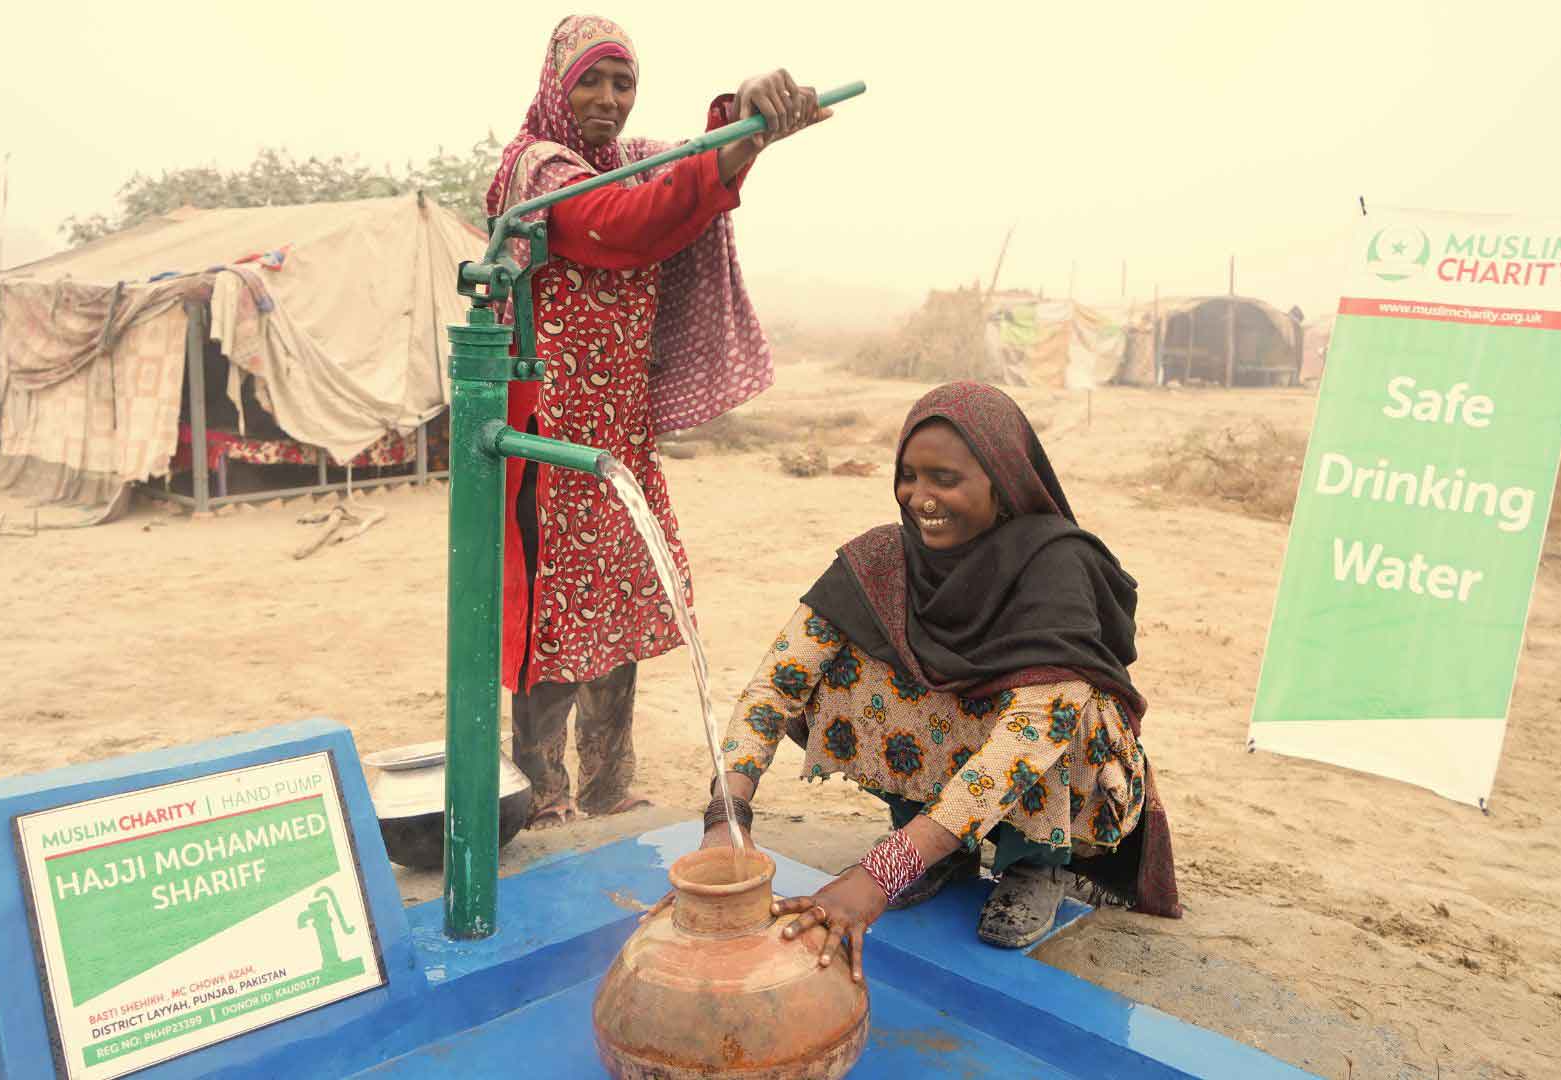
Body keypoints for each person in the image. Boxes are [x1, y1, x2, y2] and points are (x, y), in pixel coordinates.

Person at [694, 382, 1180, 968]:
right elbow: (778, 683)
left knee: (1062, 709)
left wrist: (882, 872)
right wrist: (728, 815)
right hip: (972, 748)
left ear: (1002, 483)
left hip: (1054, 756)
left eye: (945, 480)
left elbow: (1031, 735)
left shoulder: (1055, 565)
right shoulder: (880, 562)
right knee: (847, 673)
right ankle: (937, 845)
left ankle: (1033, 862)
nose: (920, 498)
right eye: (909, 475)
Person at [486, 14, 829, 829]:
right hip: (549, 435)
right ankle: (543, 795)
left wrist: (744, 121)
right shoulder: (539, 172)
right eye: (591, 82)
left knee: (619, 604)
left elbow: (680, 172)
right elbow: (634, 225)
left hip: (617, 432)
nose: (608, 100)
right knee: (554, 620)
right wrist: (736, 146)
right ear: (556, 86)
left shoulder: (626, 163)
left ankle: (607, 785)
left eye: (623, 83)